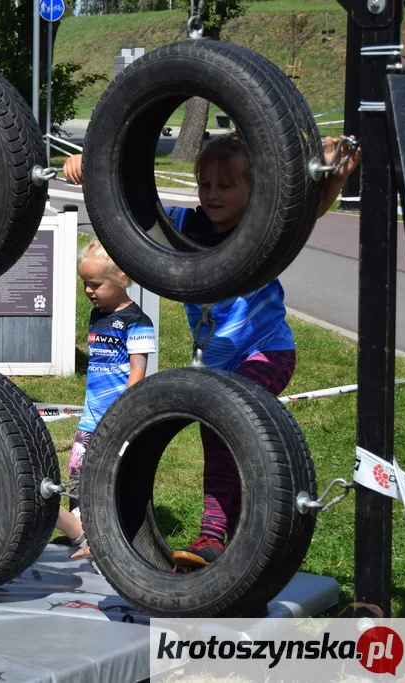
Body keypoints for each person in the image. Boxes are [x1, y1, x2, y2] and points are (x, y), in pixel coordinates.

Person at [62, 134, 361, 569]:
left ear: (253, 190)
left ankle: (217, 535)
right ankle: (225, 533)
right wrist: (92, 169)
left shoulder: (261, 228)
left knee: (223, 429)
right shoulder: (184, 225)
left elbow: (306, 213)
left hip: (266, 351)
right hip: (217, 362)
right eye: (205, 184)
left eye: (226, 185)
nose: (212, 194)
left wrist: (333, 177)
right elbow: (128, 215)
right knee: (219, 431)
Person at [54, 238, 155, 556]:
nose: (88, 291)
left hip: (116, 418)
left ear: (121, 278)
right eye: (85, 284)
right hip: (89, 417)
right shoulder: (97, 317)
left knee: (109, 479)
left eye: (95, 284)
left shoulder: (138, 322)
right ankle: (78, 533)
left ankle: (109, 537)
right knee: (77, 474)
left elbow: (137, 373)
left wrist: (122, 416)